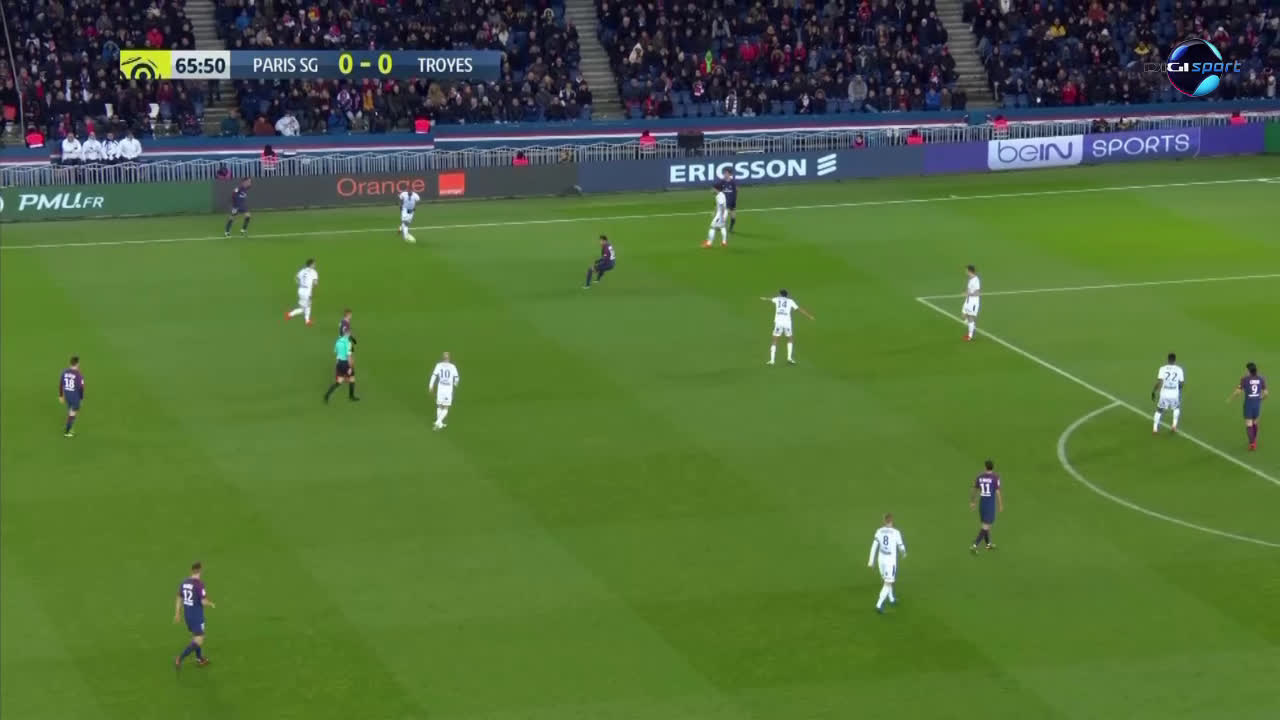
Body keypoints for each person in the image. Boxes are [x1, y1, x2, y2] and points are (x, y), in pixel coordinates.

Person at [174, 562, 214, 669]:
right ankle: (180, 658)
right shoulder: (199, 584)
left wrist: (177, 613)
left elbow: (179, 597)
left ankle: (199, 658)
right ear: (200, 570)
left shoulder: (184, 582)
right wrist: (210, 603)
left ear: (191, 570)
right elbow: (203, 602)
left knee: (196, 636)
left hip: (188, 615)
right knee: (199, 639)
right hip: (197, 616)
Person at [761, 290, 814, 365]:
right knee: (790, 339)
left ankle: (772, 360)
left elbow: (771, 299)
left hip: (778, 322)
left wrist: (765, 298)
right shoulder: (790, 301)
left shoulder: (777, 299)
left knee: (774, 340)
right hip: (787, 323)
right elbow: (799, 309)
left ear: (780, 294)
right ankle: (789, 358)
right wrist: (809, 316)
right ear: (787, 295)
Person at [867, 513, 906, 613]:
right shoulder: (896, 532)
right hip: (890, 560)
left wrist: (871, 561)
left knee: (887, 579)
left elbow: (874, 546)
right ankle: (879, 605)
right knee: (888, 582)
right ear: (892, 521)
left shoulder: (879, 531)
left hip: (881, 559)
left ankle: (891, 599)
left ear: (884, 521)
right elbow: (901, 546)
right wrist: (904, 553)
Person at [1227, 362, 1267, 450]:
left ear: (1248, 370)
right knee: (1255, 422)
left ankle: (1252, 443)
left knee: (1249, 423)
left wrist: (1231, 398)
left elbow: (1238, 392)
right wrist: (1260, 399)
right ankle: (1254, 441)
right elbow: (1266, 393)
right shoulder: (1261, 378)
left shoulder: (1245, 379)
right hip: (1257, 403)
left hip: (1249, 404)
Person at [969, 460, 1003, 552]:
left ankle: (988, 544)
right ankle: (975, 545)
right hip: (989, 505)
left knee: (986, 524)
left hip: (982, 504)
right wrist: (1000, 505)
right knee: (985, 526)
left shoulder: (980, 477)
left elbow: (975, 489)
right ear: (993, 467)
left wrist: (972, 502)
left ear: (985, 467)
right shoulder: (995, 477)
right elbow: (998, 492)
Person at [1151, 352, 1185, 434]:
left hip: (1164, 393)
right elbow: (1181, 383)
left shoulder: (1162, 369)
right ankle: (1174, 425)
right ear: (1175, 360)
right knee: (1176, 408)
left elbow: (1159, 382)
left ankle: (1155, 428)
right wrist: (1179, 389)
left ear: (1168, 360)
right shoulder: (1179, 369)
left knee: (1159, 410)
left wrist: (1154, 391)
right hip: (1174, 393)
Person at [324, 329, 359, 403]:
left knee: (339, 381)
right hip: (346, 363)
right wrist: (350, 367)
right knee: (352, 379)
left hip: (339, 363)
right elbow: (349, 356)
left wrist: (337, 365)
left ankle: (327, 395)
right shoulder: (348, 343)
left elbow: (337, 354)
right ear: (348, 334)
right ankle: (351, 396)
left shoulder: (338, 341)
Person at [429, 352, 460, 430]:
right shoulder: (452, 366)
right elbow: (457, 378)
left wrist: (431, 385)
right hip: (448, 389)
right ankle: (438, 422)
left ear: (442, 358)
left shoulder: (438, 365)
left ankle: (440, 423)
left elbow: (434, 375)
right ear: (449, 358)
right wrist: (455, 384)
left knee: (439, 405)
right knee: (446, 407)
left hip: (441, 388)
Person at [57, 356, 85, 437]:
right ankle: (67, 431)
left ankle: (69, 425)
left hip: (67, 395)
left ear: (70, 363)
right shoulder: (79, 375)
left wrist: (61, 396)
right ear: (77, 364)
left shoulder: (64, 372)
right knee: (73, 413)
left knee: (70, 411)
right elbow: (81, 388)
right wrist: (81, 398)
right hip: (75, 397)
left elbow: (60, 384)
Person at [286, 258, 318, 325]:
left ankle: (306, 320)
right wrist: (313, 285)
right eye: (314, 264)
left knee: (306, 306)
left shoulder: (302, 270)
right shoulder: (314, 272)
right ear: (311, 265)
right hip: (307, 291)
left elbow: (296, 278)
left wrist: (301, 284)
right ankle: (291, 314)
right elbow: (315, 283)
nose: (315, 265)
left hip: (300, 290)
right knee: (305, 307)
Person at [962, 265, 981, 341]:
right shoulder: (970, 279)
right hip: (968, 300)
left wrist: (969, 294)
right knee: (963, 315)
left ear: (970, 271)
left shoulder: (976, 280)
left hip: (973, 302)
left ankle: (970, 336)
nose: (965, 272)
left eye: (966, 270)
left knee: (970, 317)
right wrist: (966, 293)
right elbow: (969, 289)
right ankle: (972, 327)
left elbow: (977, 293)